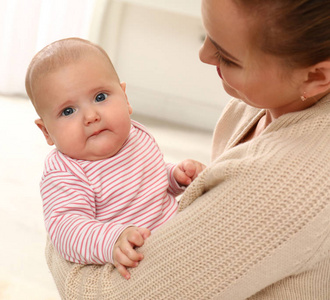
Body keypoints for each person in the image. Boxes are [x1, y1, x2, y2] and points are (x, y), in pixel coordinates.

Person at [44, 0, 330, 298]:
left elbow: (104, 294)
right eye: (207, 33)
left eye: (228, 57)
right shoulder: (255, 104)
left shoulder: (288, 183)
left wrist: (63, 229)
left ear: (315, 77)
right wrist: (172, 178)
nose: (204, 55)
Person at [25, 38, 206, 280]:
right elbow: (65, 229)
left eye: (100, 97)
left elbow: (146, 183)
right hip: (135, 266)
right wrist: (111, 242)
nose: (91, 116)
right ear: (47, 131)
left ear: (125, 98)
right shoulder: (65, 172)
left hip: (180, 242)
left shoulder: (135, 136)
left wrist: (174, 177)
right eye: (68, 111)